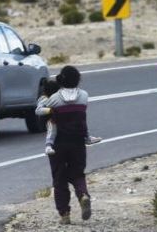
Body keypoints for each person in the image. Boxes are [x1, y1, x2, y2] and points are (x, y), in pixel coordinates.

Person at [43, 66, 92, 225]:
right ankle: (83, 194)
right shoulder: (84, 96)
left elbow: (43, 113)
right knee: (78, 173)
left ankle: (64, 214)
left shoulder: (54, 99)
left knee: (59, 178)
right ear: (78, 79)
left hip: (58, 144)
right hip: (78, 141)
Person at [36, 80, 102, 156]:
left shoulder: (60, 97)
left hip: (62, 116)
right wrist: (50, 110)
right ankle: (48, 146)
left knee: (79, 119)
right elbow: (38, 110)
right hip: (49, 118)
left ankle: (87, 137)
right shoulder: (43, 99)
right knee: (52, 126)